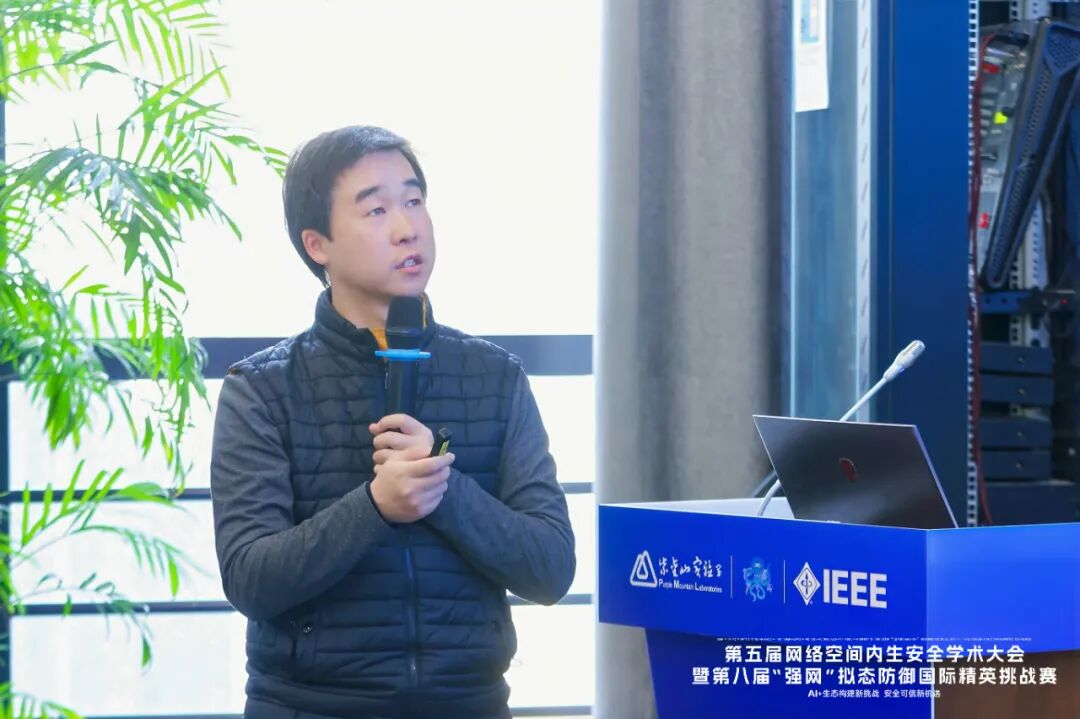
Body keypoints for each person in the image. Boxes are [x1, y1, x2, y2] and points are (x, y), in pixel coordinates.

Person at [210, 125, 576, 719]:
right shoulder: (262, 389)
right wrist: (375, 506)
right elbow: (251, 579)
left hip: (469, 705)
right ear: (317, 244)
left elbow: (551, 569)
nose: (408, 227)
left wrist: (443, 488)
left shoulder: (495, 376)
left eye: (414, 200)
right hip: (310, 706)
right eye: (376, 209)